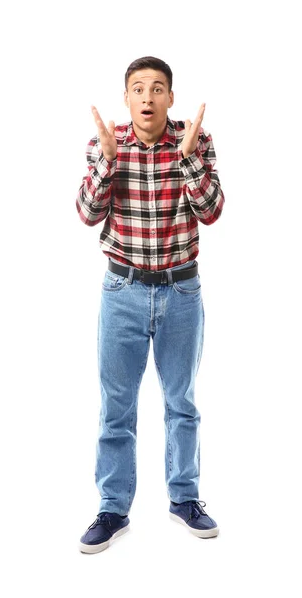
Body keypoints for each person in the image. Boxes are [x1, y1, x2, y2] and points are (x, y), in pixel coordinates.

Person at [76, 56, 225, 553]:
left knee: (181, 402)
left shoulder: (195, 139)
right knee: (116, 407)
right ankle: (113, 508)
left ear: (170, 97)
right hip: (123, 292)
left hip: (182, 291)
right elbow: (85, 213)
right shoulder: (109, 142)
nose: (147, 97)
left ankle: (185, 498)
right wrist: (106, 158)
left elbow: (212, 211)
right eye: (138, 88)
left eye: (157, 88)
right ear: (126, 97)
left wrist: (186, 157)